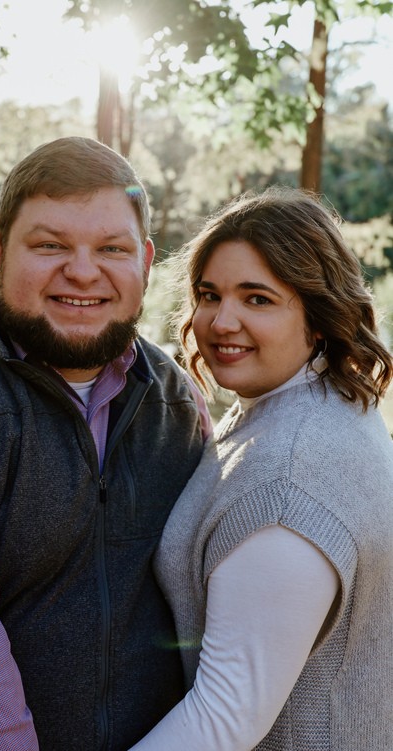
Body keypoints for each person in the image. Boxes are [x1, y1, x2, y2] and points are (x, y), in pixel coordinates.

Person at [0, 136, 212, 751]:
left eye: (112, 248)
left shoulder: (177, 398)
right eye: (50, 245)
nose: (84, 271)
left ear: (146, 261)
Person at [130, 186, 393, 751]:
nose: (222, 321)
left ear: (318, 318)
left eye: (258, 299)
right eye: (210, 295)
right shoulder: (324, 404)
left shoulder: (288, 482)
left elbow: (224, 718)